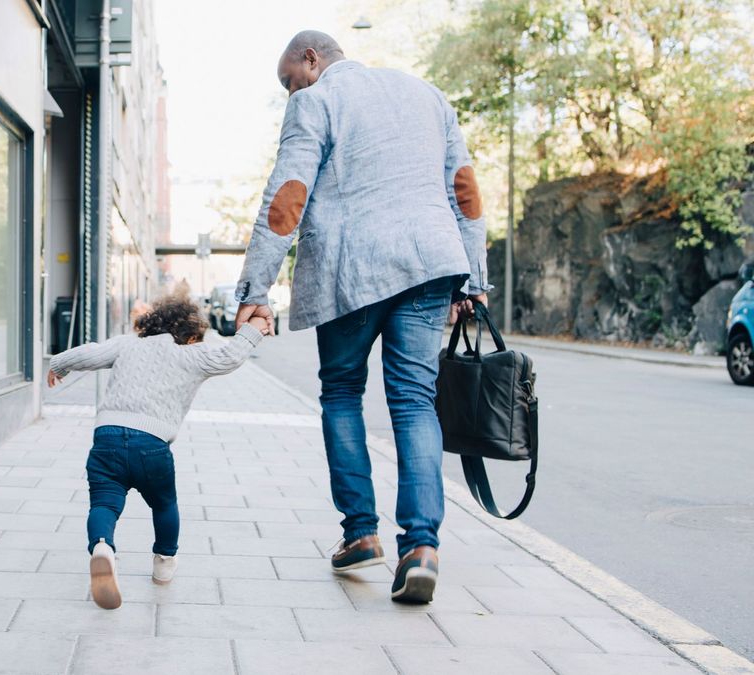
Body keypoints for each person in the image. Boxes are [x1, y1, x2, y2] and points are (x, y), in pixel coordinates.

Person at [234, 30, 491, 603]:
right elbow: (465, 191)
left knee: (343, 392)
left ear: (311, 58)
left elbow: (290, 192)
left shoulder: (316, 100)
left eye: (289, 81)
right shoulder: (429, 96)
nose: (289, 93)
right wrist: (474, 277)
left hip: (351, 270)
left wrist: (255, 290)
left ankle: (361, 535)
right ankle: (422, 547)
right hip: (430, 263)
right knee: (414, 401)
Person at [47, 292, 269, 609]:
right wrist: (256, 326)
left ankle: (101, 547)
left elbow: (92, 354)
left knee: (104, 504)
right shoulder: (193, 354)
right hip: (152, 445)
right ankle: (164, 563)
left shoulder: (128, 344)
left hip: (106, 438)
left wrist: (59, 364)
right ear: (191, 335)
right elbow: (229, 357)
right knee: (164, 503)